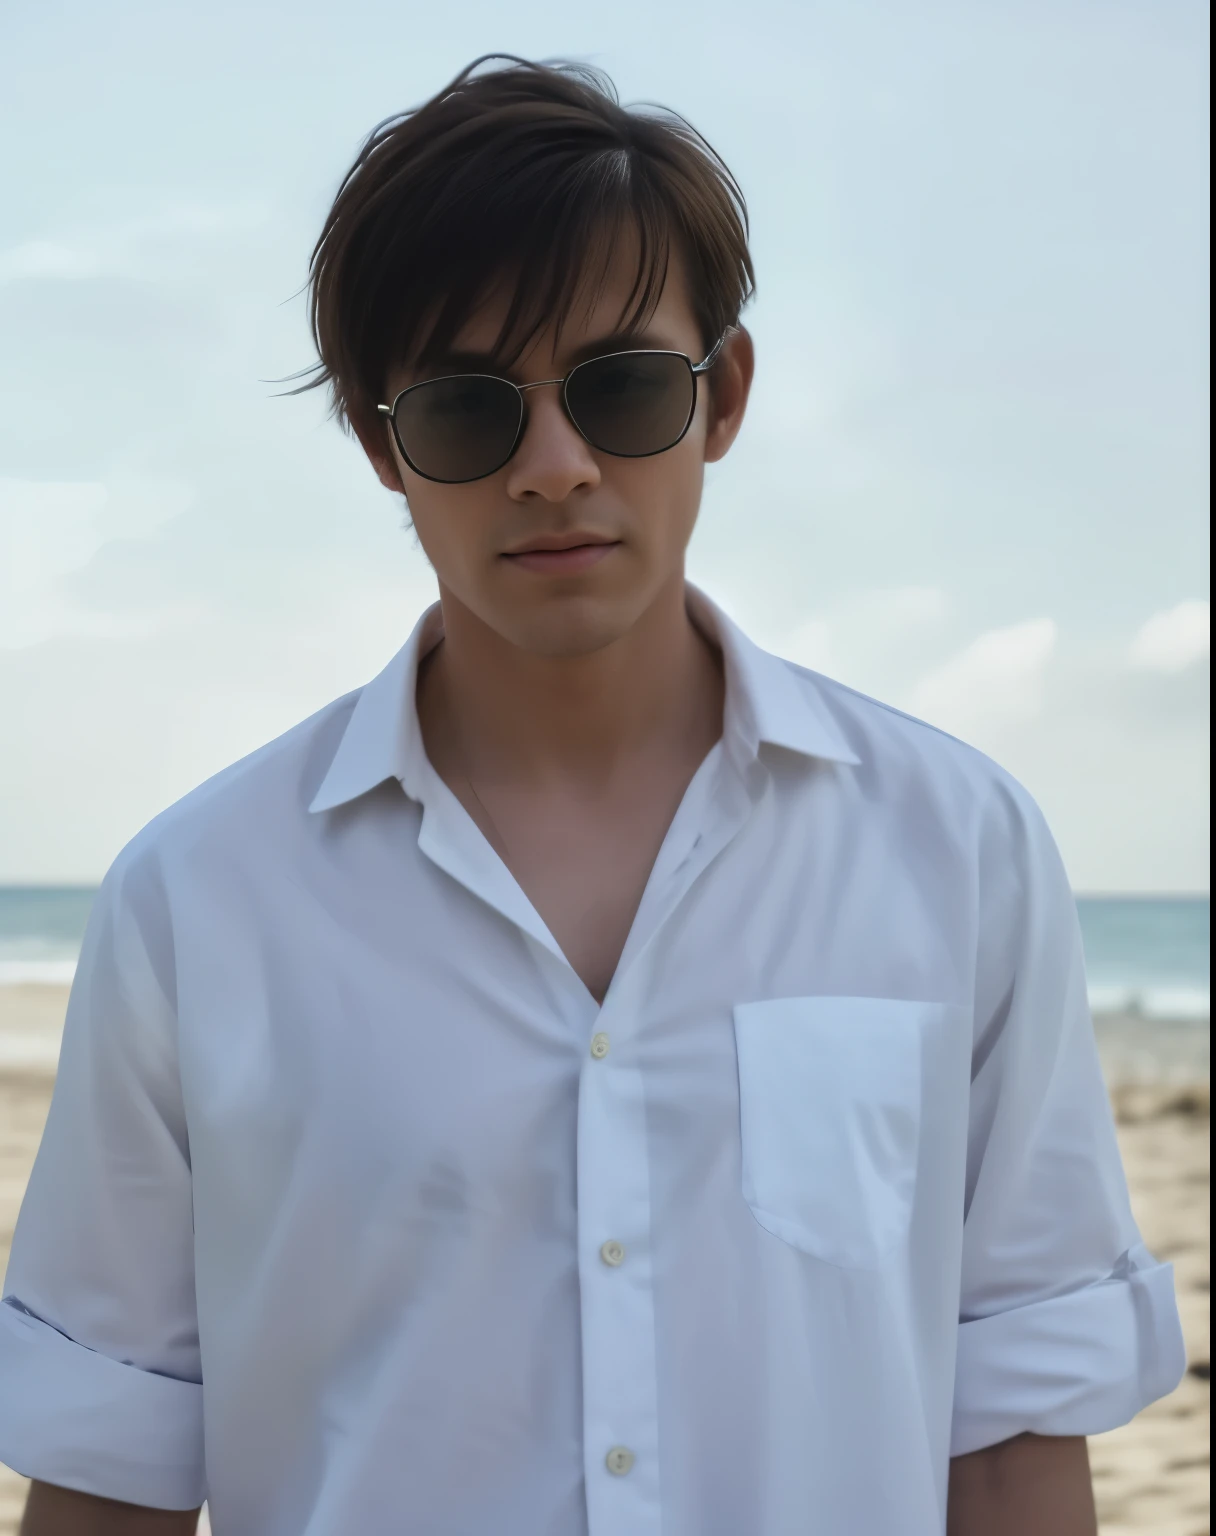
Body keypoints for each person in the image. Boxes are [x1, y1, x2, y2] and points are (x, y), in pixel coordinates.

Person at [0, 55, 1185, 1536]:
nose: (554, 469)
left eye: (619, 388)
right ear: (381, 446)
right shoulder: (196, 904)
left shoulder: (961, 852)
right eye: (464, 410)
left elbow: (1010, 1443)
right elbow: (113, 1469)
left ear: (722, 395)